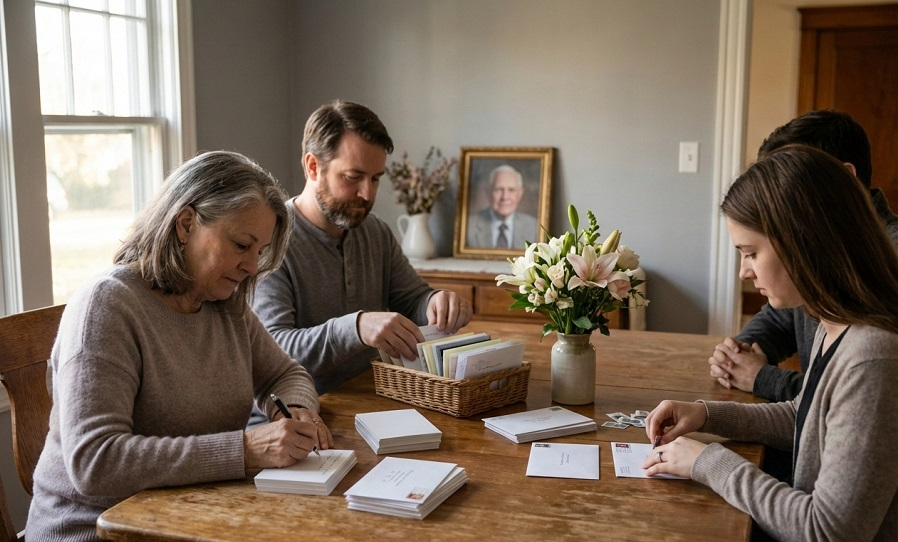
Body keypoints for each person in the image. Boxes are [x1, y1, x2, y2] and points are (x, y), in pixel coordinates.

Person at [26, 151, 333, 541]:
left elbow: (284, 373)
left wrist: (297, 409)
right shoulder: (107, 306)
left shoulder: (224, 304)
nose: (253, 267)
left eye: (260, 251)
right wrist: (245, 450)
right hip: (96, 529)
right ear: (186, 223)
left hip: (191, 516)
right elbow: (95, 462)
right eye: (241, 245)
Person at [643, 145, 898, 541]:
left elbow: (827, 531)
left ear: (804, 242)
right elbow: (806, 416)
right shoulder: (832, 324)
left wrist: (709, 462)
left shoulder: (872, 357)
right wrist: (705, 414)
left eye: (751, 253)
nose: (744, 272)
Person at [251, 100, 472, 396]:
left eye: (376, 179)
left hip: (376, 396)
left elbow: (412, 299)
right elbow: (274, 351)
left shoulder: (375, 231)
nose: (367, 194)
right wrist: (355, 328)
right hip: (308, 413)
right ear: (313, 166)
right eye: (353, 177)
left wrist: (435, 301)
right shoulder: (272, 239)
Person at [708, 110, 898, 402]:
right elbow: (783, 318)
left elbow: (854, 395)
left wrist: (762, 378)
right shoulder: (818, 271)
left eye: (787, 176)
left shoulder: (883, 266)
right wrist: (739, 354)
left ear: (841, 177)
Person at [466, 164, 539, 249]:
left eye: (511, 190)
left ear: (520, 194)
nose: (505, 197)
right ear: (488, 192)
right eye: (498, 190)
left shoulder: (535, 227)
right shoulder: (468, 227)